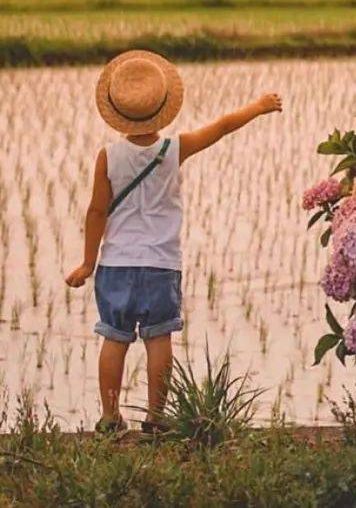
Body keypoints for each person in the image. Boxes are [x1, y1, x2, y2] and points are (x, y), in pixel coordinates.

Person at [65, 48, 283, 433]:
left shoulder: (108, 157)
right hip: (161, 263)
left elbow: (96, 212)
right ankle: (156, 418)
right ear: (164, 107)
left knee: (113, 339)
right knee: (158, 338)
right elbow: (221, 126)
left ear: (116, 111)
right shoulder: (173, 150)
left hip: (116, 264)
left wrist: (87, 263)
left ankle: (110, 417)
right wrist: (259, 106)